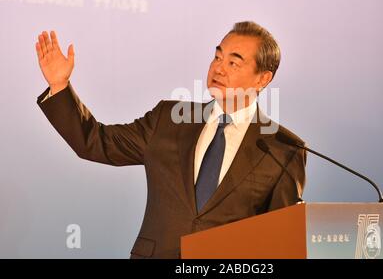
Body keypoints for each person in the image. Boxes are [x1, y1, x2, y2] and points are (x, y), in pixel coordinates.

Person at [35, 21, 307, 258]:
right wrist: (60, 86)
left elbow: (280, 242)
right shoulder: (169, 120)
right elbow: (94, 142)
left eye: (233, 62)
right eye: (217, 57)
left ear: (262, 79)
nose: (219, 69)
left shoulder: (282, 149)